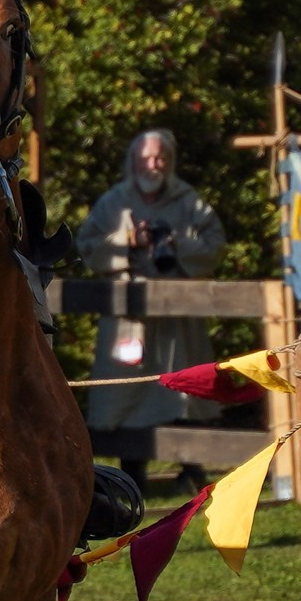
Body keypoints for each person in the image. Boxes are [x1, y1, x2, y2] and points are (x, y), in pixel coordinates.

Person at [79, 130, 226, 495]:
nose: (153, 164)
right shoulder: (115, 203)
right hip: (129, 320)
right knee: (129, 394)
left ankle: (192, 471)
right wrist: (129, 241)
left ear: (170, 161)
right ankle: (133, 477)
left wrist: (177, 242)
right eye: (146, 158)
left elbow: (214, 245)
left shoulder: (188, 202)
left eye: (160, 157)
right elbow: (87, 246)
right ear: (133, 162)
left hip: (178, 319)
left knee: (182, 391)